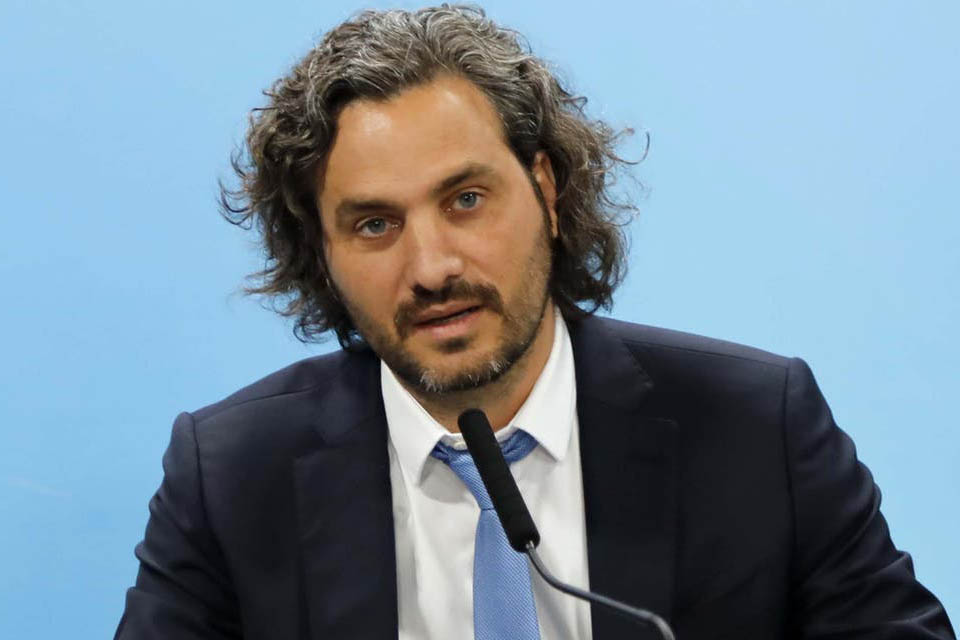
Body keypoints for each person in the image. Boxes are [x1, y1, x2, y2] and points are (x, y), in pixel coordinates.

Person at [114, 6, 955, 639]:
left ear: (546, 192)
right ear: (322, 254)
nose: (431, 266)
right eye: (374, 224)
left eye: (465, 200)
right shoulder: (232, 476)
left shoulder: (756, 428)